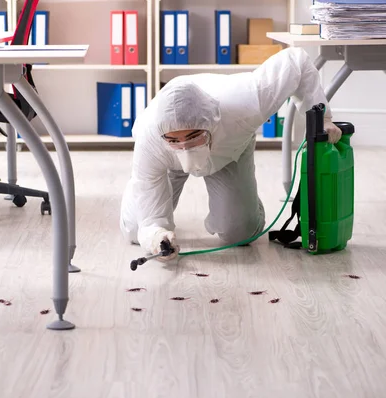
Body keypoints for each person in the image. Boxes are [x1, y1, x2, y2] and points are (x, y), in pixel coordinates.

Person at [119, 47, 342, 262]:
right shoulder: (150, 138)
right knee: (136, 230)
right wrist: (157, 237)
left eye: (193, 137)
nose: (186, 148)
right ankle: (157, 188)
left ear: (210, 123)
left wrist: (323, 117)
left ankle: (247, 202)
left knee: (240, 234)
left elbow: (297, 61)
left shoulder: (247, 100)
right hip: (167, 162)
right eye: (175, 141)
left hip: (229, 150)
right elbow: (150, 218)